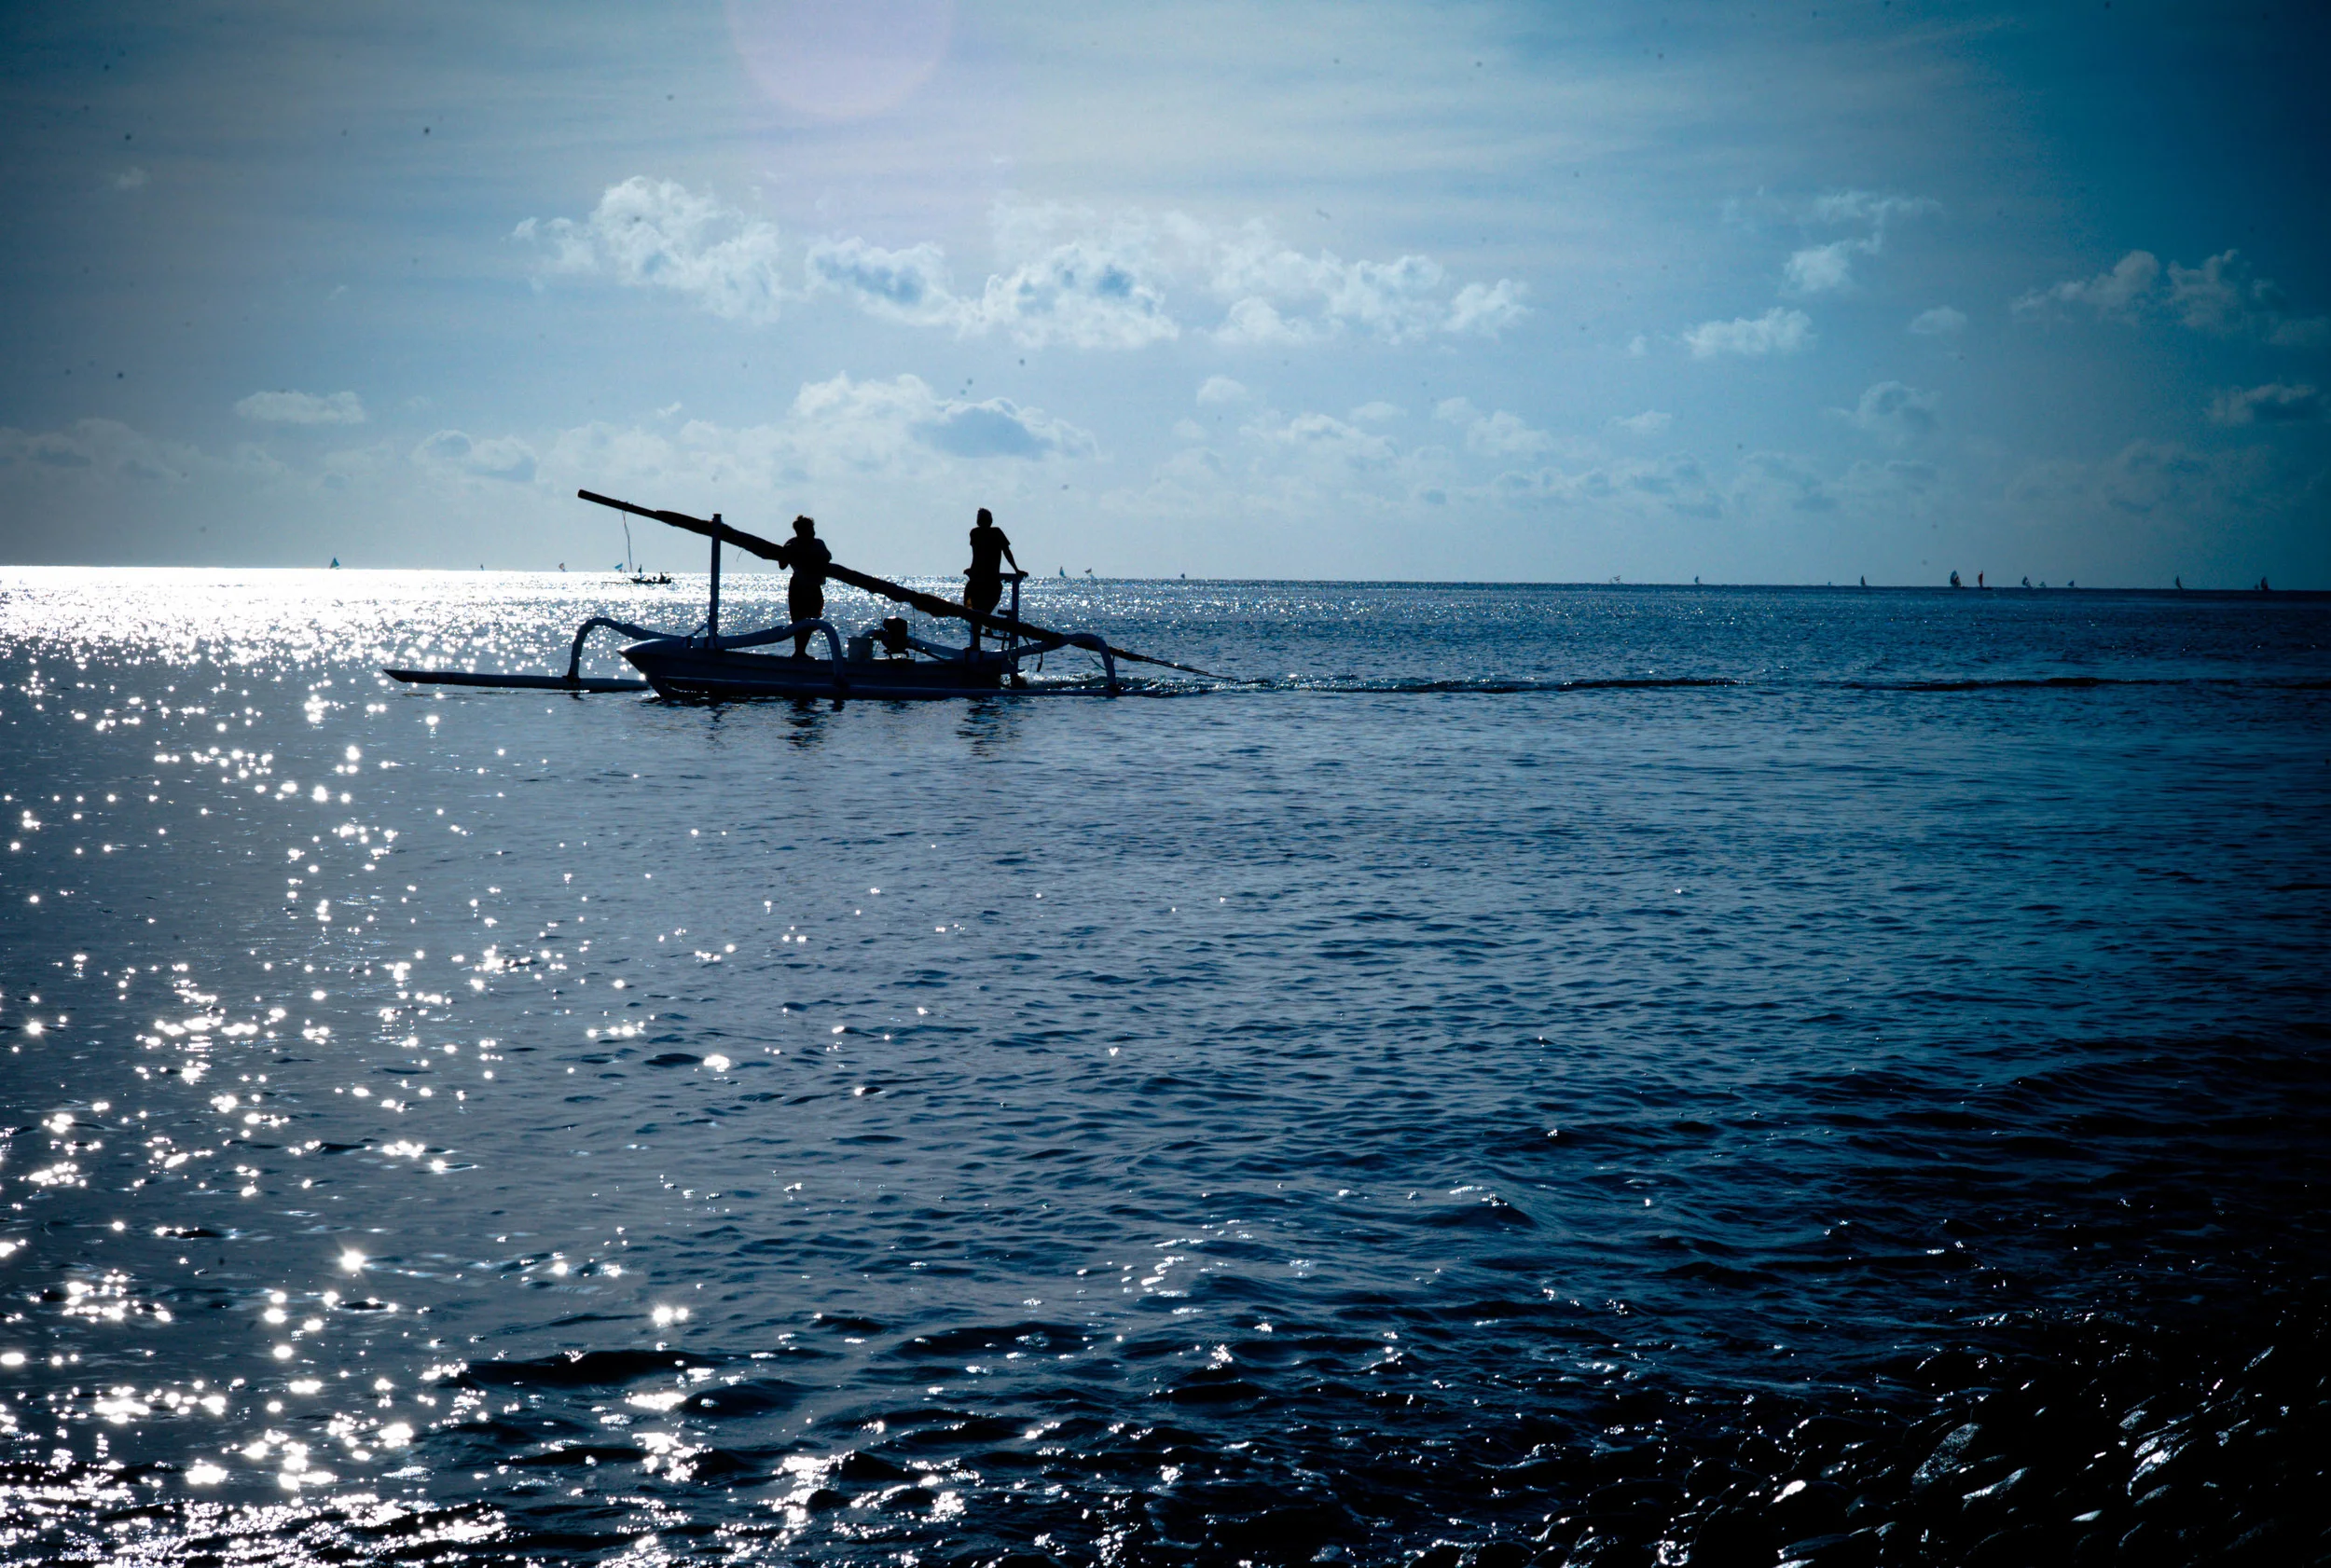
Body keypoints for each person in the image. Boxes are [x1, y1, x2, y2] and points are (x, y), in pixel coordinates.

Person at [774, 515, 831, 657]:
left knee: (812, 618)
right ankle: (799, 652)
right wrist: (787, 553)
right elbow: (782, 565)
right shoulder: (791, 544)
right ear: (802, 531)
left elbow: (827, 557)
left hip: (813, 586)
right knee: (798, 619)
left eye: (813, 530)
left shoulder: (818, 544)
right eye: (810, 530)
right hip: (799, 586)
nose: (813, 533)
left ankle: (801, 651)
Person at [963, 507, 1019, 649]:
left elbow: (1005, 552)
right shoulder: (978, 533)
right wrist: (1016, 569)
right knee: (971, 609)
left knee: (976, 612)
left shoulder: (989, 532)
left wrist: (1016, 569)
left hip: (986, 580)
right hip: (980, 580)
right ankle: (983, 628)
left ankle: (982, 631)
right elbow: (978, 554)